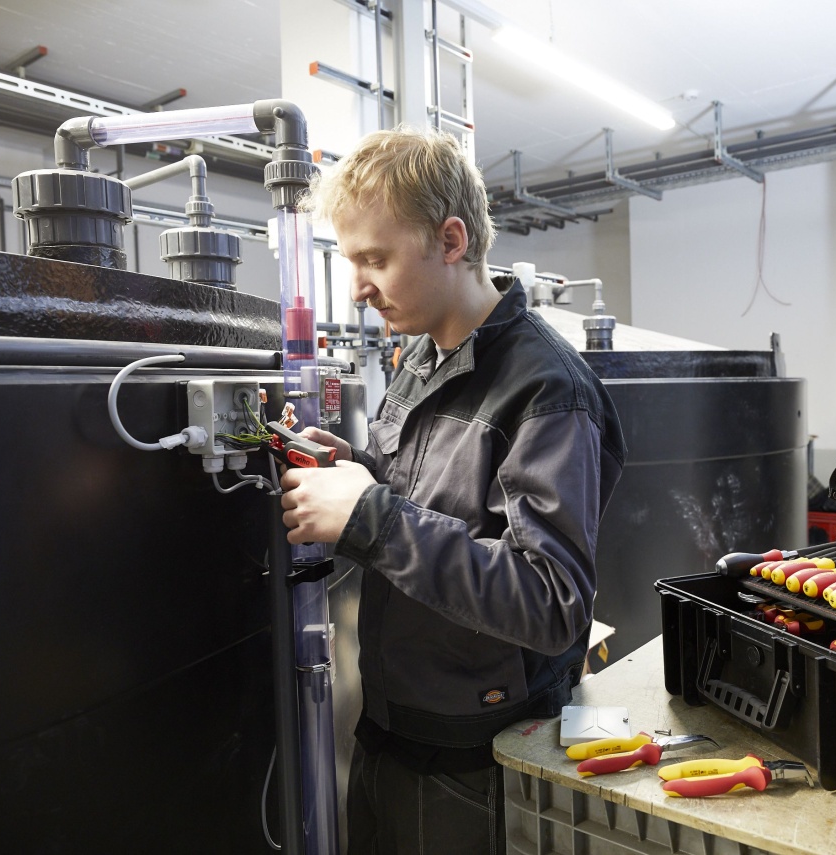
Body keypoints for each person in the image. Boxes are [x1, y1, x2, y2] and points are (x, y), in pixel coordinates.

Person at [279, 127, 626, 854]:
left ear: (451, 240)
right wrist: (353, 468)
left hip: (475, 758)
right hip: (390, 728)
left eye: (375, 259)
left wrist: (369, 517)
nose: (357, 288)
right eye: (351, 261)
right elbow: (423, 496)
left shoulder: (547, 389)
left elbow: (551, 602)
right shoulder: (421, 356)